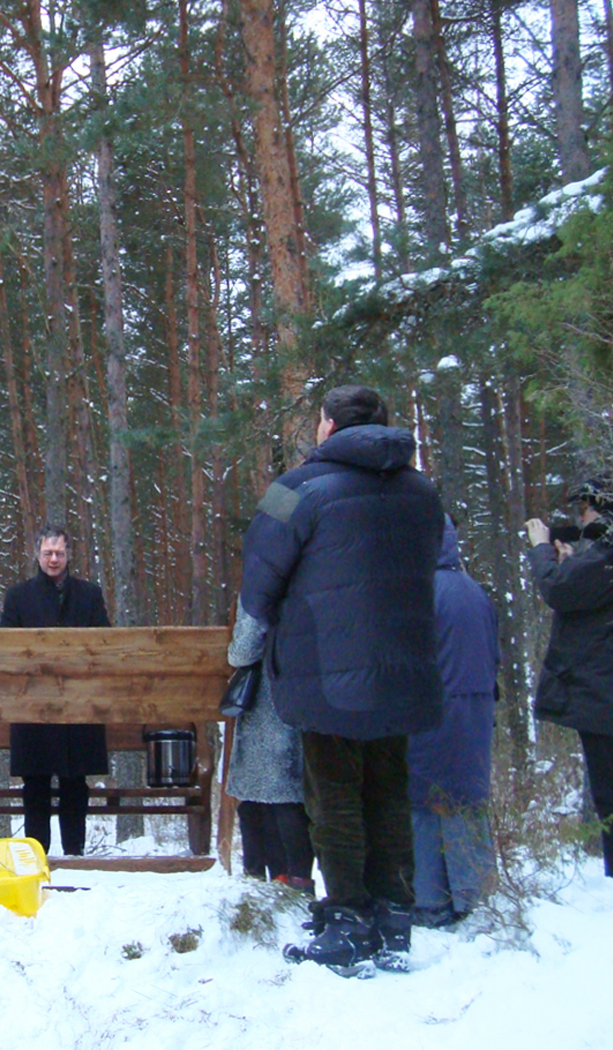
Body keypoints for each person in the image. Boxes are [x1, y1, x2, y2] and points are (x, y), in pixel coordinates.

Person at [239, 385, 443, 972]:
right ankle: (394, 917)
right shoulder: (422, 491)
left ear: (327, 426)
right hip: (403, 668)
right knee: (388, 790)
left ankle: (348, 917)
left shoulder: (293, 488)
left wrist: (275, 624)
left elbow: (257, 579)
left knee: (333, 795)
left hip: (325, 669)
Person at [526, 478, 613, 879]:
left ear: (603, 508)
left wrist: (541, 549)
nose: (580, 519)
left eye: (584, 509)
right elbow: (586, 594)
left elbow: (559, 590)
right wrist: (571, 563)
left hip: (604, 685)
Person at [0, 524, 111, 856]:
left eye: (59, 553)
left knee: (75, 782)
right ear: (37, 554)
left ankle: (75, 853)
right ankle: (36, 856)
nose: (53, 559)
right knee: (35, 783)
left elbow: (104, 641)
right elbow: (6, 645)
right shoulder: (19, 596)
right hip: (33, 703)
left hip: (79, 702)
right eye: (48, 553)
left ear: (68, 555)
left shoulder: (89, 594)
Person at [409, 516, 499, 926]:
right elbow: (494, 657)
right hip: (474, 711)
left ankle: (430, 901)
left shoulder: (416, 592)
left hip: (429, 711)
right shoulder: (475, 592)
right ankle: (475, 895)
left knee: (425, 805)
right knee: (466, 802)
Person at [224, 599, 313, 891]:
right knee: (290, 795)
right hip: (312, 692)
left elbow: (244, 650)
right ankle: (297, 879)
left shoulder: (262, 585)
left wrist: (233, 651)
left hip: (268, 699)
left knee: (264, 795)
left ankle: (262, 881)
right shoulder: (320, 578)